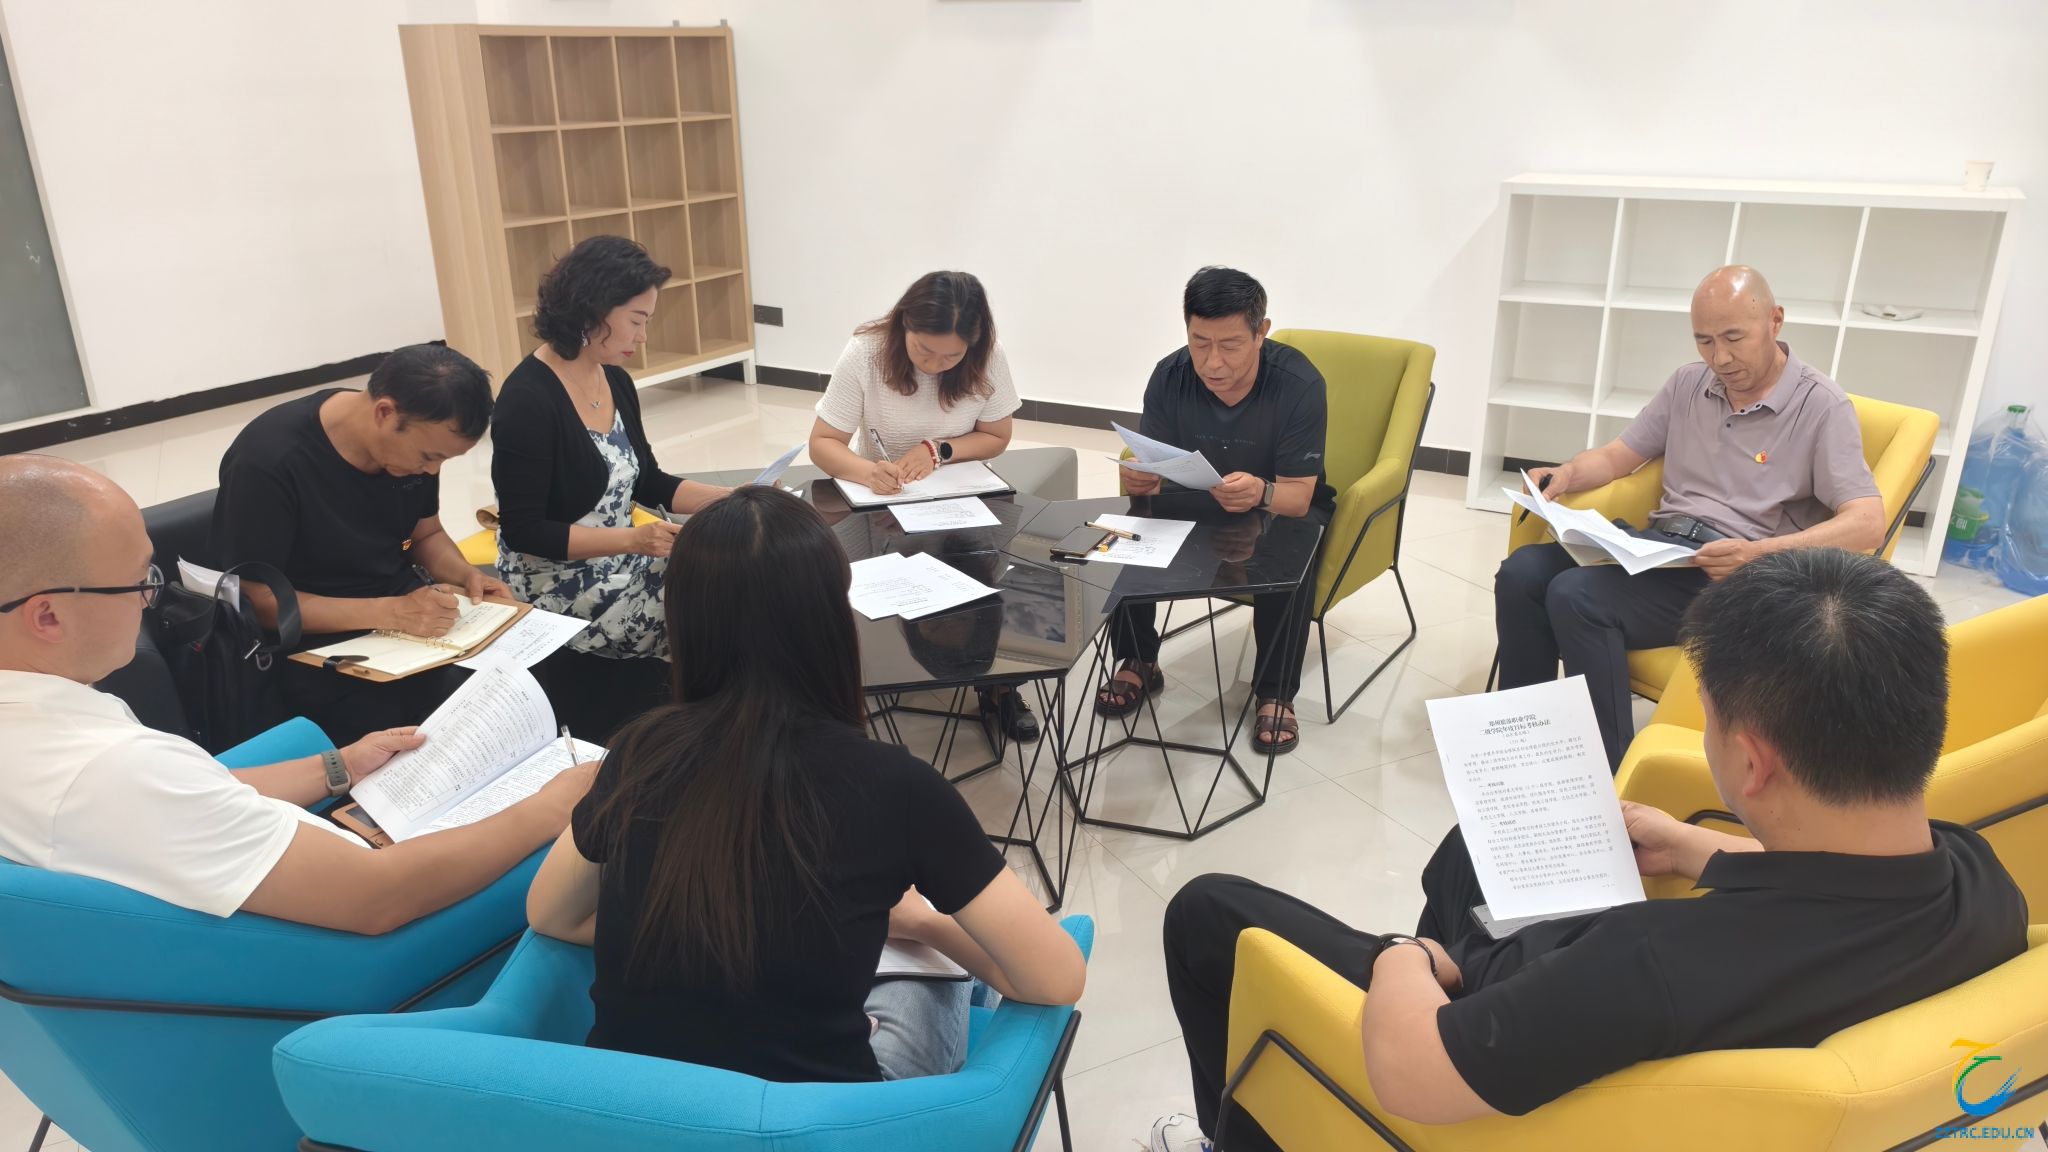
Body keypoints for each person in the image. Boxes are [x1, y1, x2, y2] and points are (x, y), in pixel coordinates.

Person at [1147, 548, 2025, 1152]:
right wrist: (1699, 851)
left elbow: (1414, 1077)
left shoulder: (1652, 958)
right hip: (1682, 1028)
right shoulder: (1981, 880)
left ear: (1752, 763)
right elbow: (1836, 902)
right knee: (1470, 852)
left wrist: (1405, 962)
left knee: (1206, 910)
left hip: (1488, 1072)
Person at [526, 487, 1085, 1083]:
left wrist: (692, 956)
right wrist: (921, 923)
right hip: (825, 1117)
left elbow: (550, 914)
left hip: (643, 1107)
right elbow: (1055, 979)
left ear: (683, 621)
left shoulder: (638, 753)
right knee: (946, 966)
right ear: (834, 618)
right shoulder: (900, 788)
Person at [0, 456, 592, 932]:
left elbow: (184, 793)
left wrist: (340, 766)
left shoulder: (55, 737)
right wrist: (549, 809)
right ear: (47, 616)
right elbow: (378, 898)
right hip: (357, 950)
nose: (151, 601)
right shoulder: (110, 771)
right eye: (140, 582)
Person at [1495, 265, 1884, 770]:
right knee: (1521, 573)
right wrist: (1566, 474)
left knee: (1577, 597)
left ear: (1775, 321)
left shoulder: (1822, 407)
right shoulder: (1688, 384)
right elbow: (1619, 456)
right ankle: (1520, 747)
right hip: (1663, 548)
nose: (1720, 358)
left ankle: (1607, 775)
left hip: (1734, 576)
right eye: (1704, 341)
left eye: (1733, 338)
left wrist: (1756, 555)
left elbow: (1868, 522)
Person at [211, 344, 510, 746]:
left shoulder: (412, 448)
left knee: (508, 675)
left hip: (398, 613)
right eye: (429, 456)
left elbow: (426, 534)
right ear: (385, 413)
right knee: (432, 718)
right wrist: (394, 613)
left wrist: (467, 576)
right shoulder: (269, 460)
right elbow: (257, 601)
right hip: (311, 642)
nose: (431, 470)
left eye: (443, 461)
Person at [1098, 267, 1332, 755]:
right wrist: (1143, 477)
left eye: (1230, 345)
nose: (1212, 362)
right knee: (1127, 531)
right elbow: (1152, 461)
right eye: (1199, 342)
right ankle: (1138, 660)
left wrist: (1261, 492)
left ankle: (1275, 692)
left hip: (1274, 504)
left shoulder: (1298, 383)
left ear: (1261, 332)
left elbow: (1298, 496)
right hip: (1196, 497)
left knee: (1293, 547)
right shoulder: (1170, 375)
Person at [808, 270, 1038, 743]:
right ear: (903, 326)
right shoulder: (867, 353)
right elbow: (823, 443)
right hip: (884, 502)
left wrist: (939, 450)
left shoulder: (988, 356)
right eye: (924, 350)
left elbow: (997, 436)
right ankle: (868, 676)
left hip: (962, 499)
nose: (935, 365)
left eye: (951, 355)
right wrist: (867, 471)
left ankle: (999, 686)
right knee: (860, 588)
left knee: (987, 582)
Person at [491, 235, 732, 662]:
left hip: (620, 561)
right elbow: (524, 530)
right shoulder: (527, 400)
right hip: (557, 586)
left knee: (735, 572)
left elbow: (649, 482)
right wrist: (635, 540)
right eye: (637, 320)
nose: (643, 337)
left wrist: (731, 499)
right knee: (711, 599)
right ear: (592, 309)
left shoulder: (614, 378)